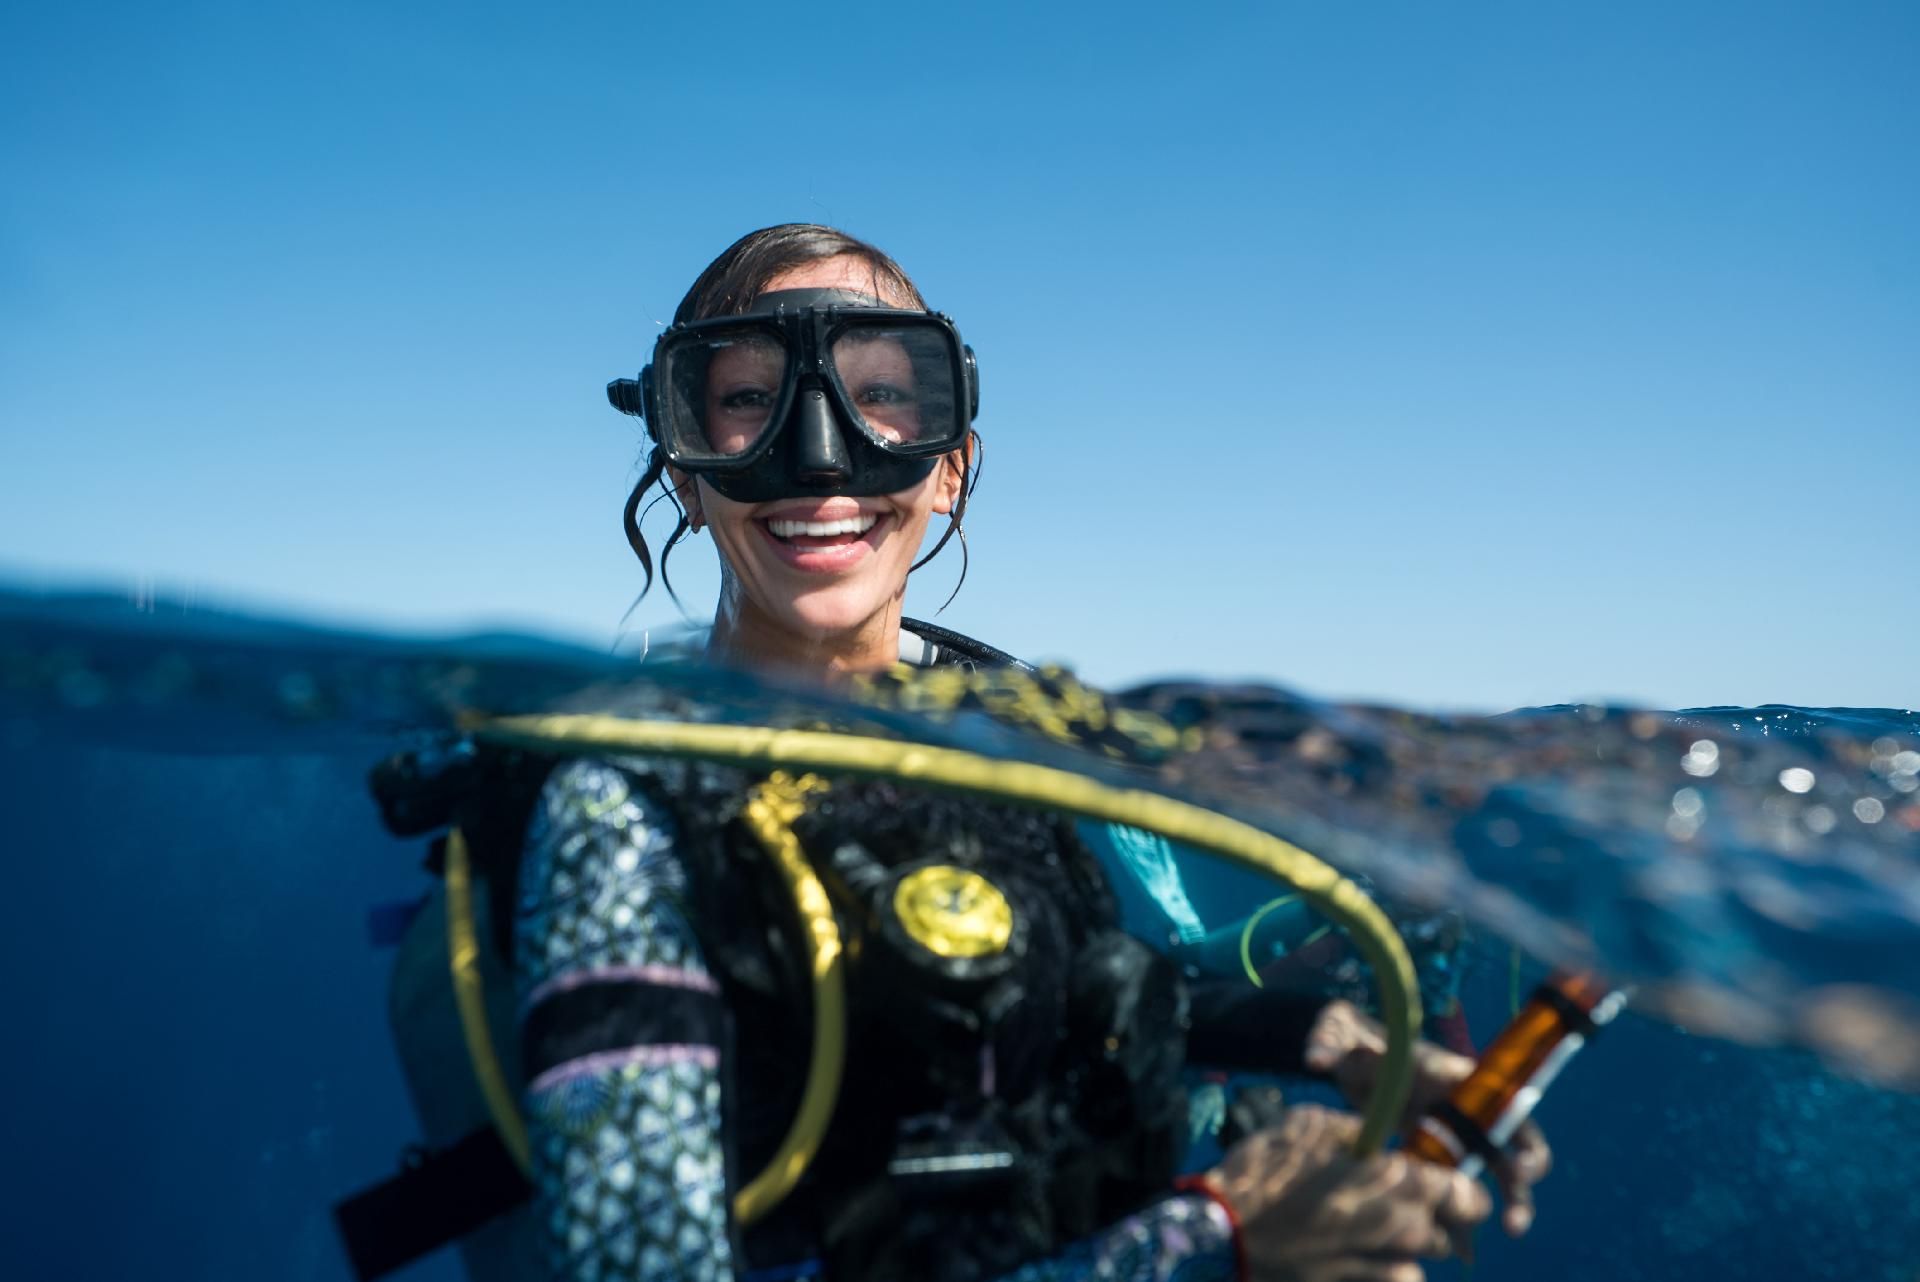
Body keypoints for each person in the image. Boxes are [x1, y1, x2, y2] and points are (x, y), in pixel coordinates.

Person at [356, 225, 1549, 1282]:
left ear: (950, 464)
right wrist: (1216, 1239)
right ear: (683, 465)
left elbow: (1059, 988)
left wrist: (1315, 1037)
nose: (820, 457)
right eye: (746, 400)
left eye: (883, 396)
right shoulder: (623, 799)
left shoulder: (1006, 733)